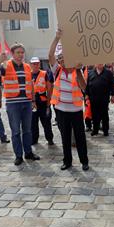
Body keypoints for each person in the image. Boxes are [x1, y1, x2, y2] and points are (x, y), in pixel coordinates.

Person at [0, 44, 40, 165]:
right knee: (16, 131)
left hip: (27, 103)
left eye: (22, 52)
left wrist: (33, 100)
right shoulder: (6, 65)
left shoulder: (27, 67)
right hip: (13, 104)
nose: (20, 55)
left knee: (27, 130)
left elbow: (31, 85)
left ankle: (28, 153)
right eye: (18, 52)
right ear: (12, 54)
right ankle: (18, 155)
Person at [48, 29, 89, 171]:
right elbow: (50, 55)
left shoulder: (77, 71)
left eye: (65, 58)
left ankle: (84, 161)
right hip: (61, 110)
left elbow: (84, 87)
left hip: (76, 110)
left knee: (80, 137)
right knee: (65, 138)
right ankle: (67, 161)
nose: (62, 60)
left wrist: (78, 71)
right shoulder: (57, 70)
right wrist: (56, 38)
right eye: (61, 59)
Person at [30, 56, 55, 146]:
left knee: (46, 122)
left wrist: (48, 104)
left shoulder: (45, 73)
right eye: (34, 64)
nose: (35, 65)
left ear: (39, 64)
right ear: (31, 65)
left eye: (37, 63)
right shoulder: (28, 74)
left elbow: (50, 88)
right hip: (32, 103)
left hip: (43, 102)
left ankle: (49, 139)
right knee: (33, 123)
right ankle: (34, 139)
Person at [87, 63, 114, 136]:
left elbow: (112, 84)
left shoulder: (108, 73)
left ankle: (105, 130)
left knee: (104, 114)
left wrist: (113, 95)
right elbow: (87, 85)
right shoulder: (90, 73)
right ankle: (95, 130)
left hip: (104, 98)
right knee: (94, 115)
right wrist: (86, 95)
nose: (100, 63)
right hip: (93, 98)